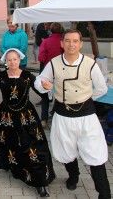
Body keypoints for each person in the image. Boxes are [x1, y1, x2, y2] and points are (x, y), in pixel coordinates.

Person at [35, 29, 110, 199]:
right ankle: (73, 176)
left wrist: (84, 99)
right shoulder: (54, 63)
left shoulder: (90, 64)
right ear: (62, 43)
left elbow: (101, 89)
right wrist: (44, 86)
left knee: (95, 154)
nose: (71, 44)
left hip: (87, 117)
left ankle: (104, 194)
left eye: (75, 41)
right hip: (63, 115)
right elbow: (39, 81)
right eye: (67, 41)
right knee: (65, 151)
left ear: (80, 44)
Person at [0, 49, 55, 197]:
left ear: (19, 60)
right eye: (9, 60)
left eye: (15, 59)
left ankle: (40, 182)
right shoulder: (1, 76)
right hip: (7, 116)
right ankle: (15, 167)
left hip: (26, 115)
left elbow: (40, 88)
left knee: (33, 146)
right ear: (5, 61)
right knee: (11, 143)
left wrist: (47, 88)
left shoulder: (27, 76)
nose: (12, 62)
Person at [38, 22, 63, 128]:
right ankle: (56, 115)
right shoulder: (63, 42)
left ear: (50, 30)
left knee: (45, 96)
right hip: (61, 71)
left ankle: (43, 119)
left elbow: (41, 58)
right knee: (60, 94)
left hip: (48, 72)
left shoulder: (46, 42)